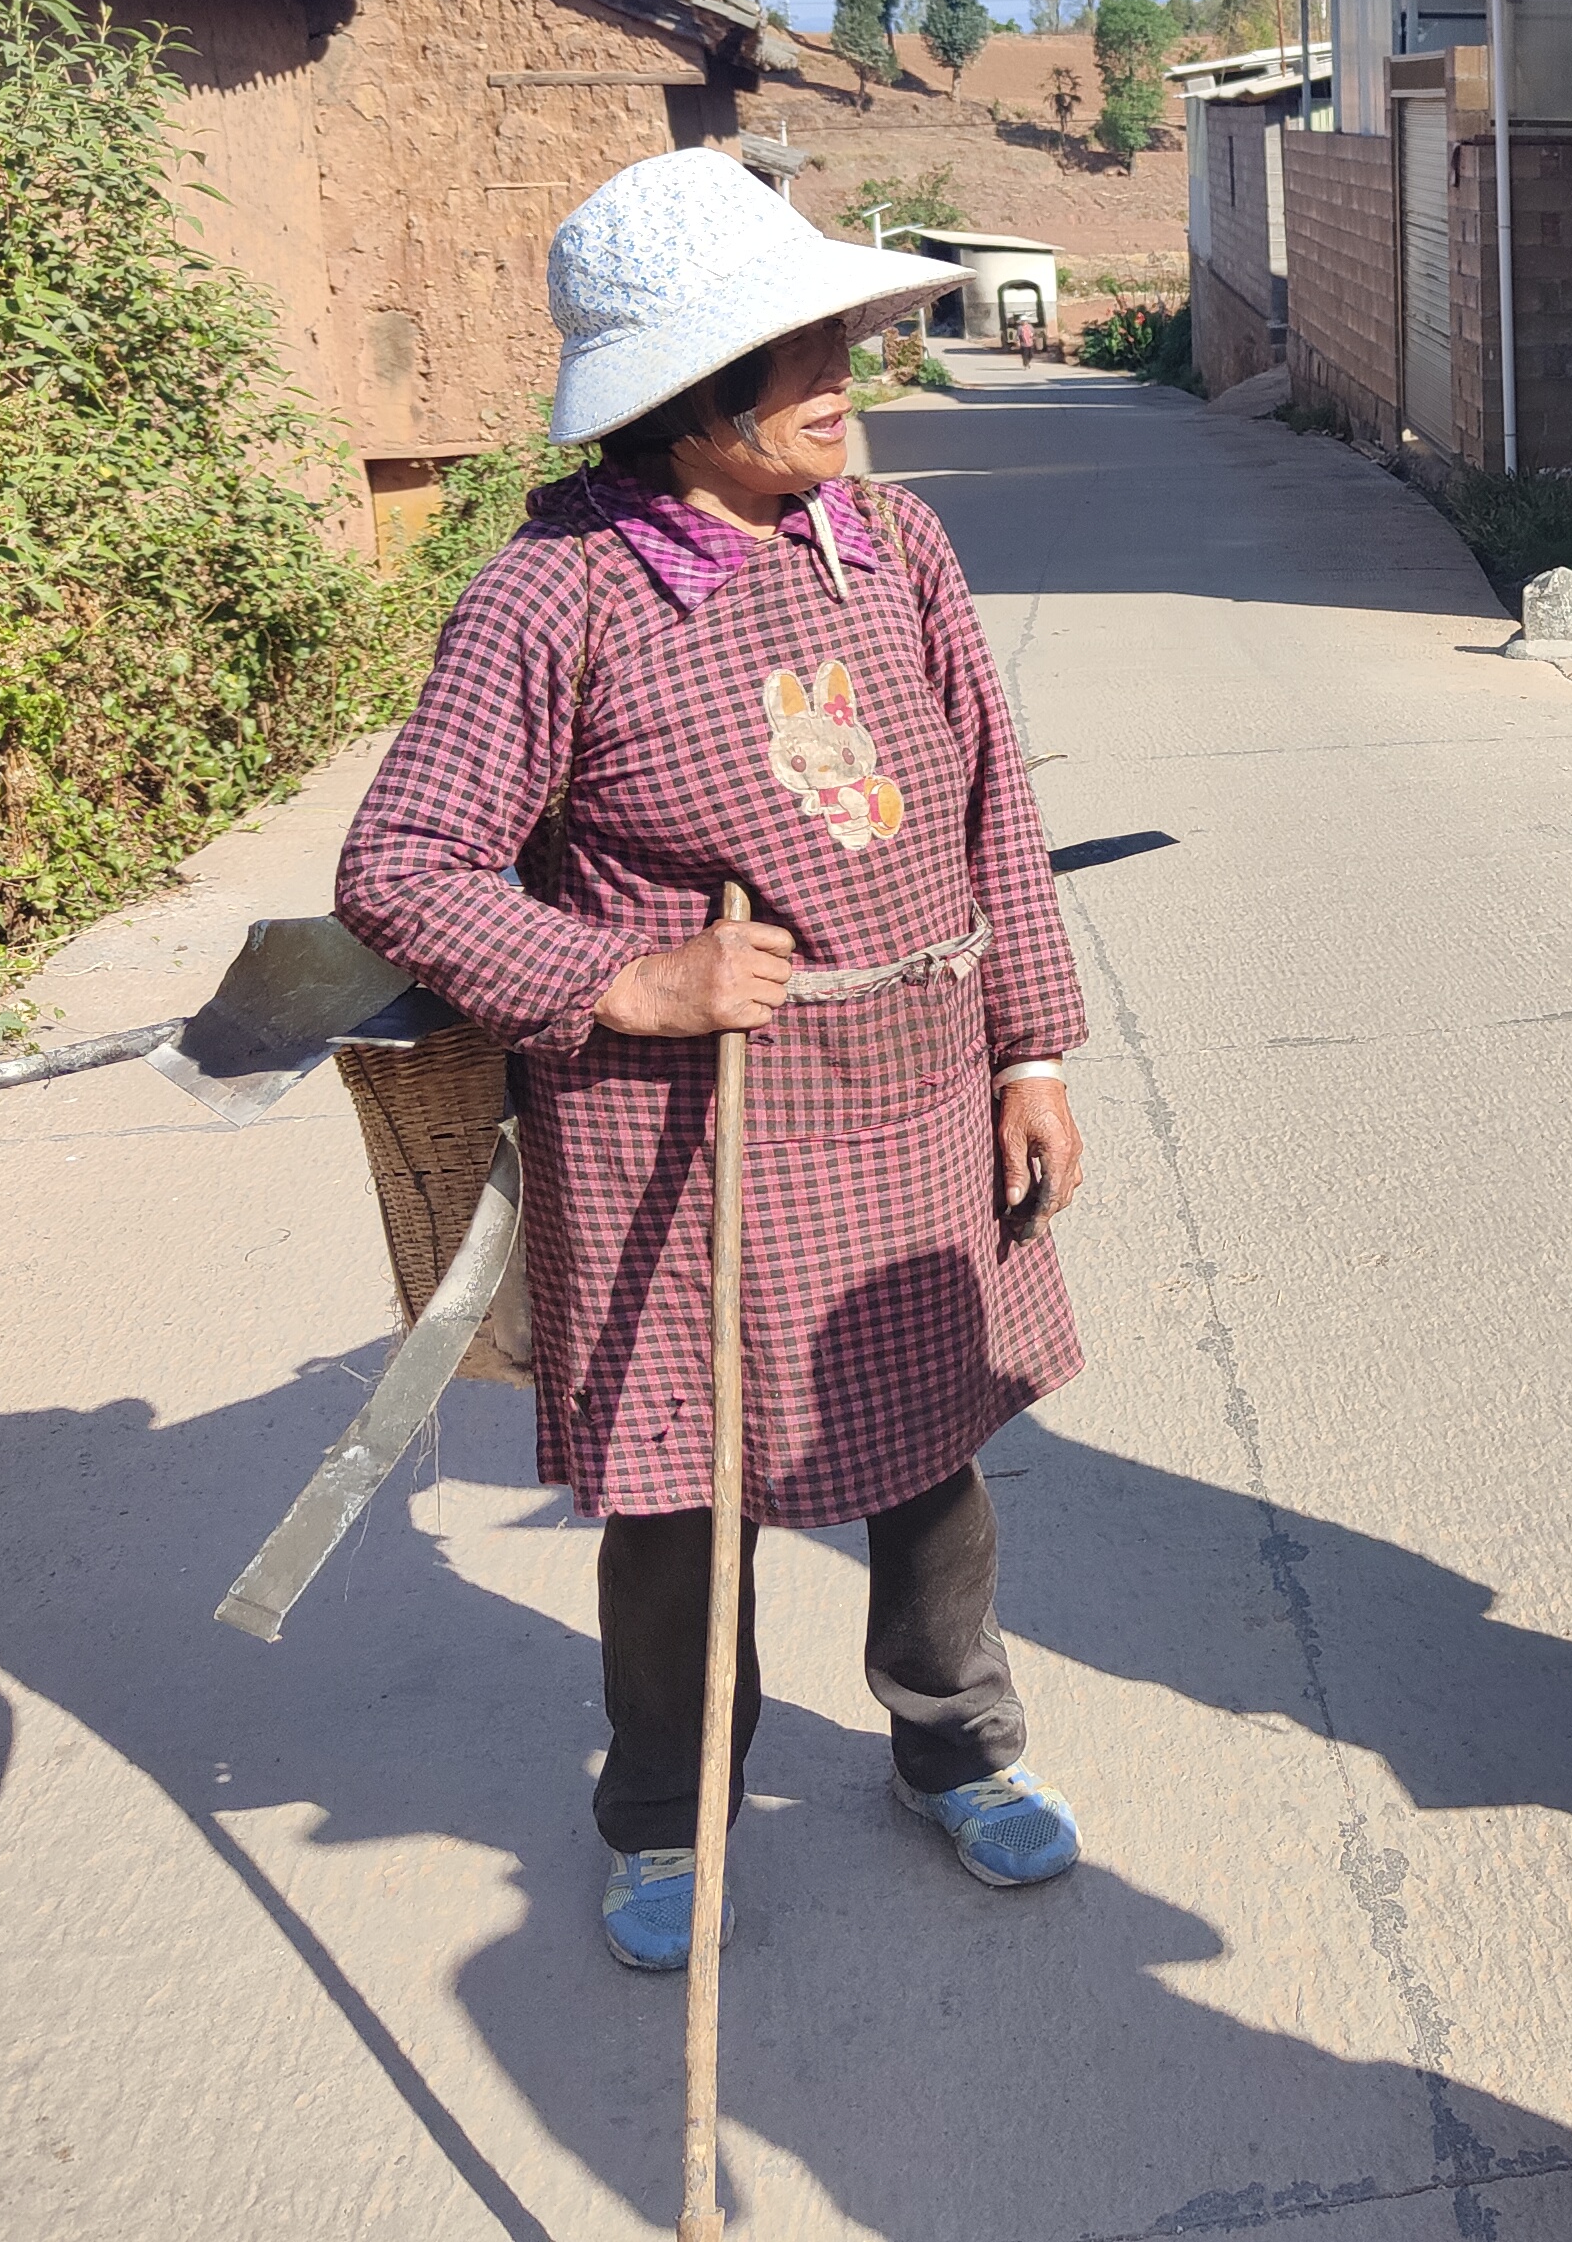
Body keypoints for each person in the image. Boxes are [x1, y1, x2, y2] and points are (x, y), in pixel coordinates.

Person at [338, 148, 1093, 1973]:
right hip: (688, 1135)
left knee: (929, 1455)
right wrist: (629, 981)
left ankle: (954, 1744)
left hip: (911, 1093)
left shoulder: (895, 545)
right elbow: (403, 869)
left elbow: (994, 809)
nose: (844, 368)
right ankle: (667, 1813)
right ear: (681, 398)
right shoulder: (558, 592)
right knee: (687, 1497)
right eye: (791, 346)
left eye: (836, 329)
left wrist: (1034, 1052)